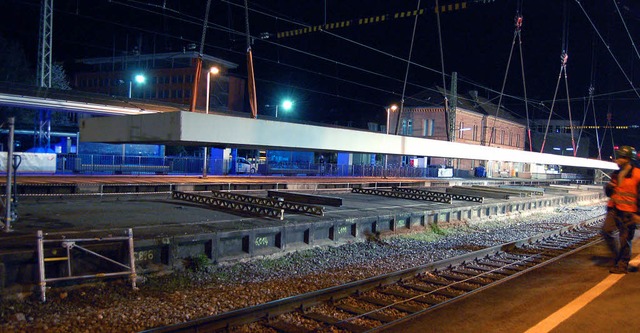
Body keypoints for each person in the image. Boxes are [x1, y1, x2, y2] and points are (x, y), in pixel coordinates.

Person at [602, 145, 640, 274]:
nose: (617, 160)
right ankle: (617, 256)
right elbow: (609, 193)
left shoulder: (637, 175)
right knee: (606, 231)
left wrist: (637, 214)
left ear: (628, 159)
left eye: (619, 158)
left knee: (625, 239)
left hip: (629, 212)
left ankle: (622, 265)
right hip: (614, 209)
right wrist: (608, 187)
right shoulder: (615, 174)